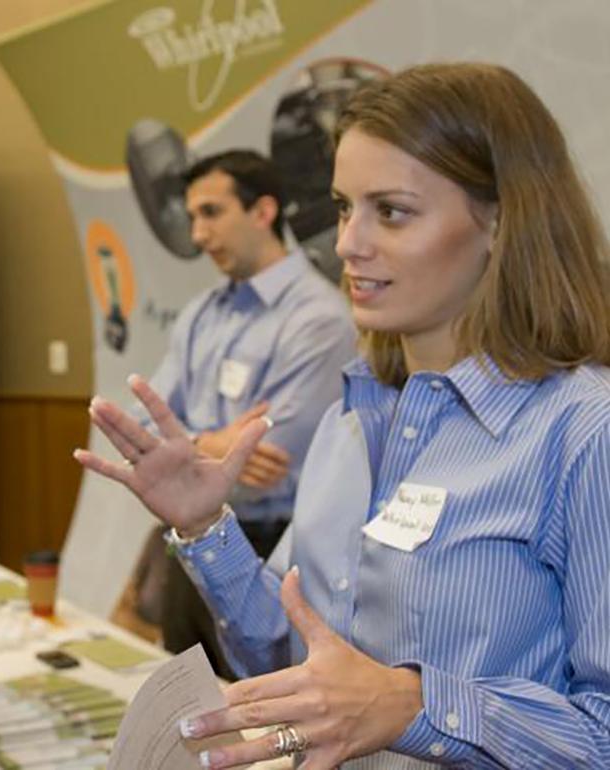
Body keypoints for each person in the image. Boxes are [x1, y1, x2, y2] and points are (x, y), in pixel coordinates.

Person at [78, 62, 610, 768]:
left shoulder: (583, 432)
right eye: (342, 208)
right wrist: (205, 526)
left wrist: (415, 705)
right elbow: (291, 656)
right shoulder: (353, 419)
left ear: (501, 220)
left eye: (391, 212)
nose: (348, 244)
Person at [120, 149, 356, 677]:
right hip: (190, 546)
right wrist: (210, 444)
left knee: (265, 712)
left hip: (272, 553)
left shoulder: (319, 319)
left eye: (211, 213)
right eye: (192, 217)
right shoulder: (202, 315)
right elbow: (137, 426)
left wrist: (187, 448)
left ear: (263, 211)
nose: (198, 235)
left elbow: (265, 457)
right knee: (186, 708)